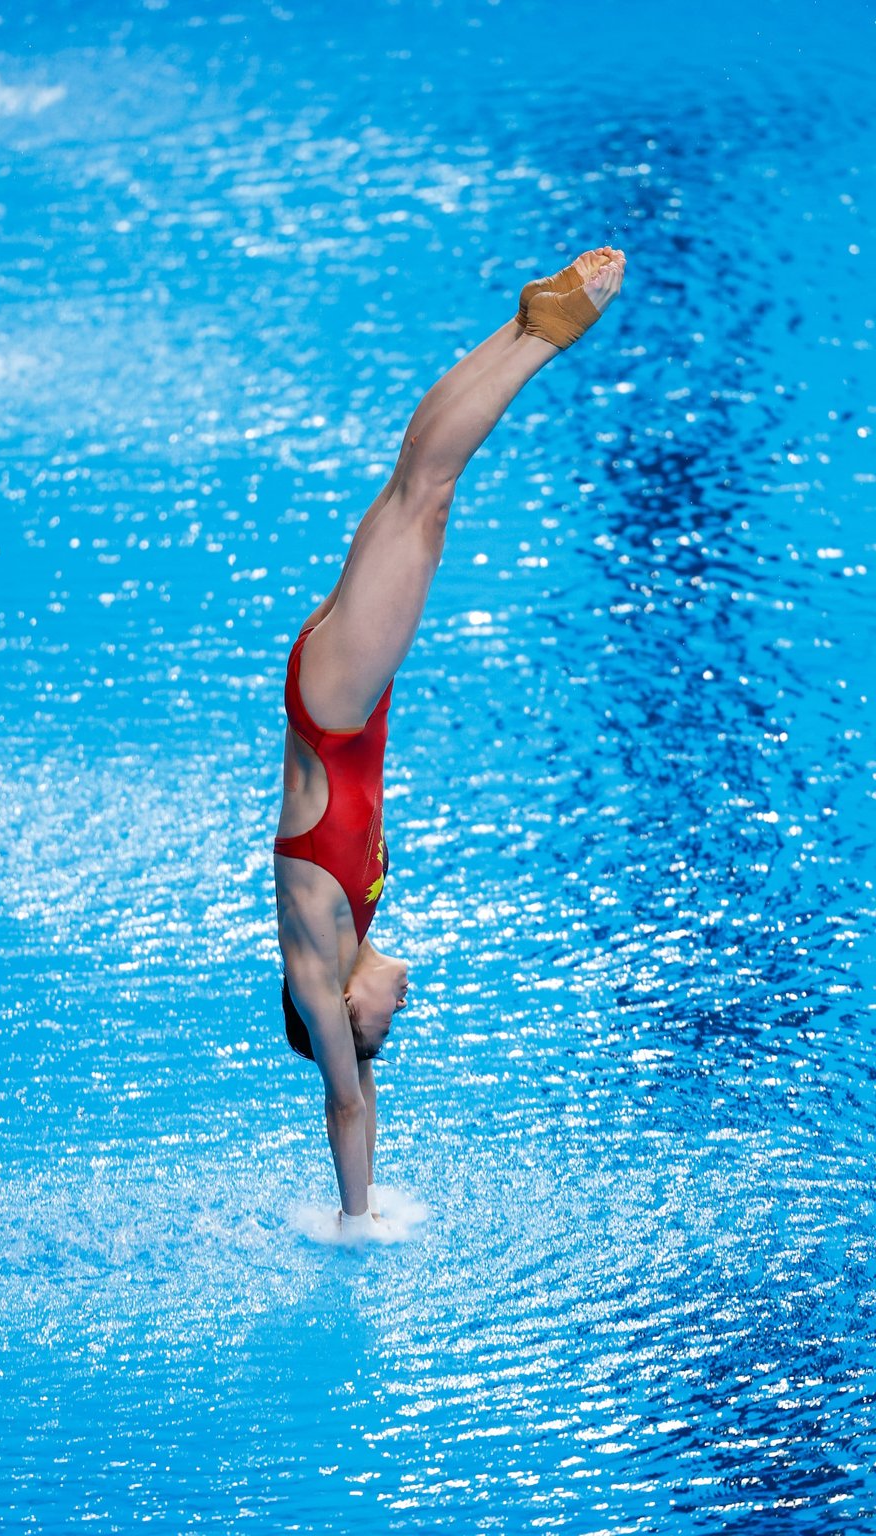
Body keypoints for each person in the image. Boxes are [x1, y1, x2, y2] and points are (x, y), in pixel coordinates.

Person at [273, 247, 626, 1238]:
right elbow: (361, 1090)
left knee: (422, 495)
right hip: (345, 697)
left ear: (337, 1021)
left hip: (335, 705)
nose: (398, 1019)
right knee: (418, 496)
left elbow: (345, 1102)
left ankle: (541, 337)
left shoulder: (313, 955)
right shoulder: (355, 928)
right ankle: (526, 325)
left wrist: (356, 1217)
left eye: (378, 1034)